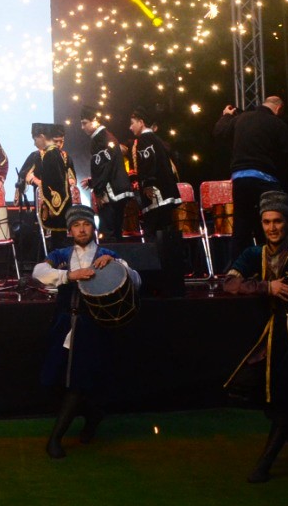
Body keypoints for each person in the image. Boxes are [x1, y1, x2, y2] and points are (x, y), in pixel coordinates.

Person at [220, 192, 288, 482]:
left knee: (284, 396)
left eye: (278, 221)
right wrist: (267, 287)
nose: (272, 227)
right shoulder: (253, 254)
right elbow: (229, 283)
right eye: (267, 221)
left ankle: (265, 464)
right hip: (269, 337)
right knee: (258, 392)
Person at [33, 205, 141, 458]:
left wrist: (116, 265)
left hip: (92, 327)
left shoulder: (107, 254)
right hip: (64, 325)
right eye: (76, 225)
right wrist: (69, 275)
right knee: (53, 380)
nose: (82, 229)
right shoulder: (61, 255)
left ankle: (55, 439)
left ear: (93, 228)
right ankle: (93, 414)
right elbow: (39, 272)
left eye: (86, 224)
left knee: (78, 383)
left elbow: (135, 279)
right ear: (70, 231)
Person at [213, 95, 288, 249]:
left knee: (241, 226)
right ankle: (270, 260)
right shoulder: (277, 123)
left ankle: (238, 262)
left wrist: (226, 116)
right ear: (279, 109)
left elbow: (219, 132)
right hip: (265, 179)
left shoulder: (241, 118)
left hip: (240, 178)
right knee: (269, 224)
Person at [129, 109, 187, 295]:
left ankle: (155, 277)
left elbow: (148, 163)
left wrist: (147, 183)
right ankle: (170, 276)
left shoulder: (145, 140)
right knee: (165, 232)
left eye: (132, 123)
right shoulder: (157, 140)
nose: (130, 127)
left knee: (153, 234)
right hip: (166, 192)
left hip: (156, 194)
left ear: (141, 122)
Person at [80, 110, 133, 240]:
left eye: (84, 123)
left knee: (107, 233)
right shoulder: (108, 137)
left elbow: (103, 168)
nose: (82, 127)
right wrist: (93, 182)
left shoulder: (100, 140)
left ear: (95, 121)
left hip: (111, 192)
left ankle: (109, 254)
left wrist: (98, 190)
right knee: (116, 231)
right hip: (118, 189)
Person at [25, 123, 77, 248]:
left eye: (35, 139)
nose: (34, 143)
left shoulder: (51, 154)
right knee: (57, 240)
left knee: (59, 243)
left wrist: (53, 206)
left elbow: (56, 182)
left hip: (56, 206)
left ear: (42, 136)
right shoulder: (50, 153)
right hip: (55, 204)